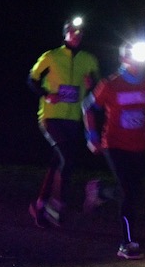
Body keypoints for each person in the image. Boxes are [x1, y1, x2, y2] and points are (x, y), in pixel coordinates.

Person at [82, 39, 145, 259]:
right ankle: (126, 243)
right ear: (123, 58)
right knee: (128, 191)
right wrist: (92, 136)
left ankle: (100, 192)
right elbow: (88, 107)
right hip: (114, 144)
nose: (136, 60)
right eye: (131, 55)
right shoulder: (111, 84)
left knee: (133, 192)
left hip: (138, 145)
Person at [27, 17, 100, 227]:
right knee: (65, 158)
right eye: (72, 31)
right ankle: (56, 206)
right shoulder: (51, 56)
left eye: (80, 33)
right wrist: (46, 94)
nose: (76, 35)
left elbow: (98, 88)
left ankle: (40, 205)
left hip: (74, 118)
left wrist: (91, 83)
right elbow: (31, 79)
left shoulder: (89, 59)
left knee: (58, 161)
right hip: (50, 117)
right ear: (65, 33)